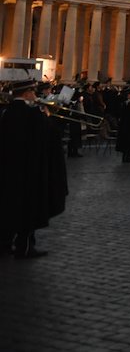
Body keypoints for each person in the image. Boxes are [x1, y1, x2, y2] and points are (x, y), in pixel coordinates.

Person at [0, 80, 68, 258]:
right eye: (33, 92)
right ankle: (25, 246)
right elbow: (51, 137)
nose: (35, 95)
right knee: (28, 209)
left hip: (9, 170)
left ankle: (5, 243)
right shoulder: (33, 114)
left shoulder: (6, 112)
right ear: (28, 93)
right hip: (30, 171)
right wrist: (46, 115)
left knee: (9, 207)